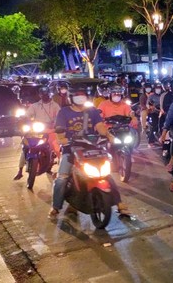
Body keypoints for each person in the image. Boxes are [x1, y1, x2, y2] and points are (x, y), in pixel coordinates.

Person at [49, 88, 130, 218]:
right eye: (77, 95)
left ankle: (119, 203)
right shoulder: (63, 112)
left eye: (82, 95)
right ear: (71, 98)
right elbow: (60, 132)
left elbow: (100, 126)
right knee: (62, 178)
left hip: (93, 148)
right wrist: (62, 140)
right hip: (71, 149)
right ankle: (56, 207)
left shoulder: (92, 111)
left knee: (105, 174)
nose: (80, 98)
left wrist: (109, 136)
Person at [14, 87, 61, 181]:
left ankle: (60, 170)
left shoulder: (55, 106)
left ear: (49, 94)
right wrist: (22, 118)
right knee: (26, 147)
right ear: (40, 95)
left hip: (49, 130)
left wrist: (57, 125)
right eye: (42, 95)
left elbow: (59, 116)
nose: (45, 96)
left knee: (56, 148)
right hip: (36, 130)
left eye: (46, 94)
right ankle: (20, 170)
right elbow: (27, 115)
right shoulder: (35, 106)